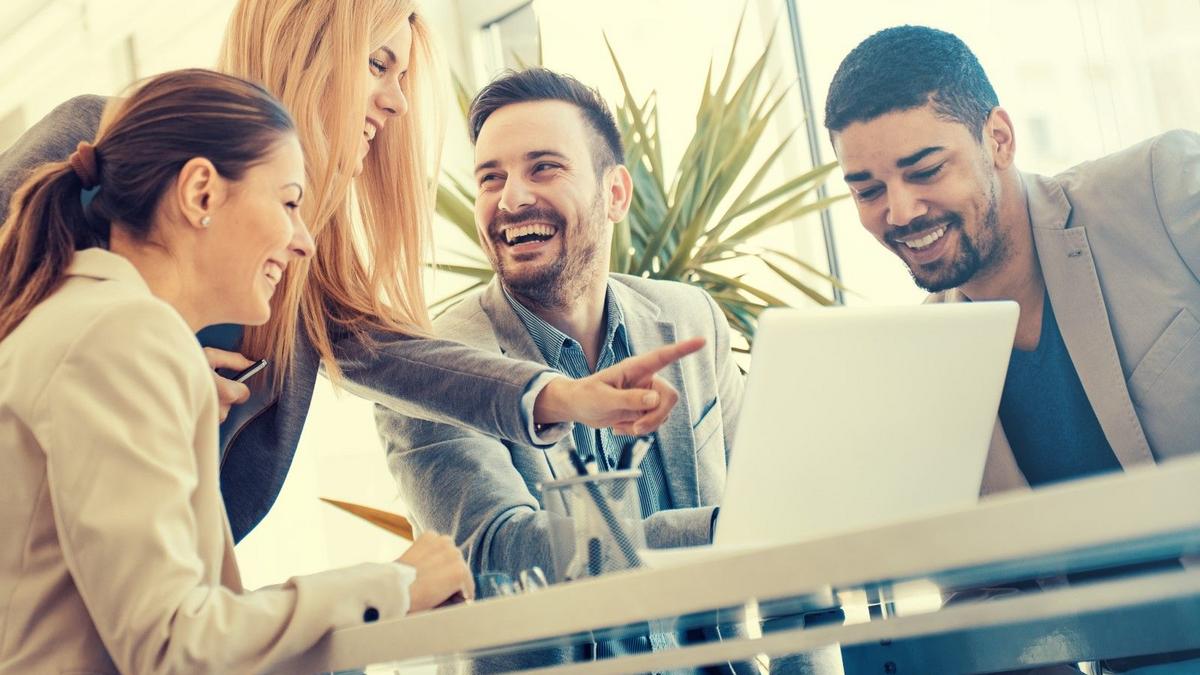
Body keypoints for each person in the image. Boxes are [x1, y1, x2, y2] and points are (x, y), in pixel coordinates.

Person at [0, 0, 702, 543]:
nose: (397, 101)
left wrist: (561, 397)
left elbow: (401, 361)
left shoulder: (297, 257)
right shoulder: (98, 142)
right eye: (378, 65)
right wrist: (138, 362)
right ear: (305, 51)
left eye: (402, 77)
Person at [0, 68, 473, 674]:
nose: (303, 241)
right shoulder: (122, 336)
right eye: (289, 202)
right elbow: (174, 647)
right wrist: (394, 586)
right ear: (201, 193)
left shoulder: (86, 320)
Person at [824, 25, 1199, 674]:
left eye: (925, 171)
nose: (901, 211)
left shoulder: (1158, 190)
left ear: (998, 138)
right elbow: (987, 590)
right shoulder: (926, 361)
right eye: (868, 190)